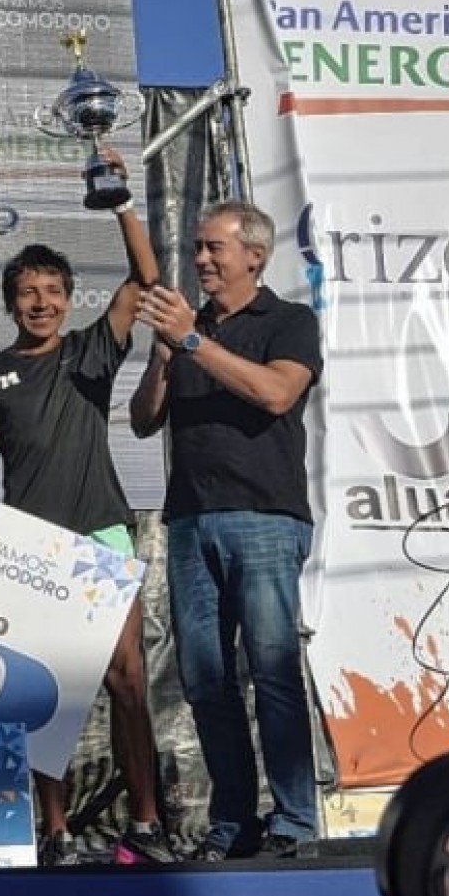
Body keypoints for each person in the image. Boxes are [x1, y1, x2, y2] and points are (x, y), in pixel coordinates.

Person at [0, 157, 168, 866]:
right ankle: (56, 834)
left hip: (104, 531)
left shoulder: (89, 354)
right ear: (10, 302)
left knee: (128, 681)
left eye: (51, 291)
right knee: (46, 697)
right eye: (27, 293)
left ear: (70, 298)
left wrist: (122, 202)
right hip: (31, 551)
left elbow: (144, 282)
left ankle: (145, 823)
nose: (40, 302)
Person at [129, 199, 322, 861]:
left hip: (265, 516)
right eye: (199, 249)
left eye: (215, 248)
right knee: (204, 681)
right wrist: (163, 356)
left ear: (255, 256)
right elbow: (143, 419)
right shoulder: (191, 327)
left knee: (271, 670)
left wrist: (192, 343)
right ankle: (232, 822)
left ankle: (294, 821)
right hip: (189, 521)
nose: (203, 260)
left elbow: (276, 394)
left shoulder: (289, 322)